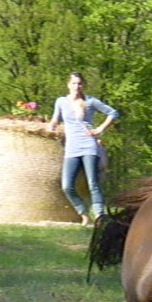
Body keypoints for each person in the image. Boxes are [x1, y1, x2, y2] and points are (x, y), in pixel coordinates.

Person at [48, 72, 119, 225]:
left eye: (79, 83)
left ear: (83, 85)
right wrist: (52, 125)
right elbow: (56, 117)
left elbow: (113, 113)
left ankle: (99, 217)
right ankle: (83, 213)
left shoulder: (90, 101)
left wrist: (100, 129)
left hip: (89, 145)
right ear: (68, 85)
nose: (77, 86)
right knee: (67, 185)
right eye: (74, 83)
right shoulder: (61, 101)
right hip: (72, 148)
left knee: (93, 183)